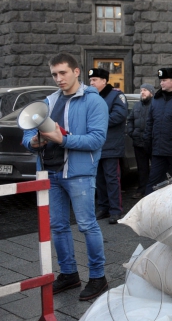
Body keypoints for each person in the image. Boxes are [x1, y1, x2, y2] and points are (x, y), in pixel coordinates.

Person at [21, 53, 109, 302]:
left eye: (63, 73)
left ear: (76, 72)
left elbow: (97, 139)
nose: (58, 79)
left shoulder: (93, 101)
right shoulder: (49, 101)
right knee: (58, 226)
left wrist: (64, 139)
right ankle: (69, 273)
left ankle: (98, 276)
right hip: (51, 172)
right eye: (54, 74)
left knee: (87, 225)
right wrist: (35, 142)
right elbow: (28, 135)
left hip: (78, 173)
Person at [88, 67, 127, 224]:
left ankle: (116, 210)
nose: (91, 83)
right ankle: (103, 207)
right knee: (99, 179)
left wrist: (97, 123)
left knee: (112, 179)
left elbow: (119, 115)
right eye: (90, 80)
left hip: (111, 145)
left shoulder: (116, 96)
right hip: (96, 146)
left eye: (94, 80)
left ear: (104, 81)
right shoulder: (92, 97)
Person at [127, 83, 155, 198]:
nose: (142, 92)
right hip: (138, 143)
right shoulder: (136, 106)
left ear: (151, 93)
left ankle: (154, 190)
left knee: (156, 168)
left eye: (145, 90)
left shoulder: (156, 105)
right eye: (141, 90)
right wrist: (131, 132)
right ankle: (142, 190)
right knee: (142, 169)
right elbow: (130, 120)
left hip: (153, 143)